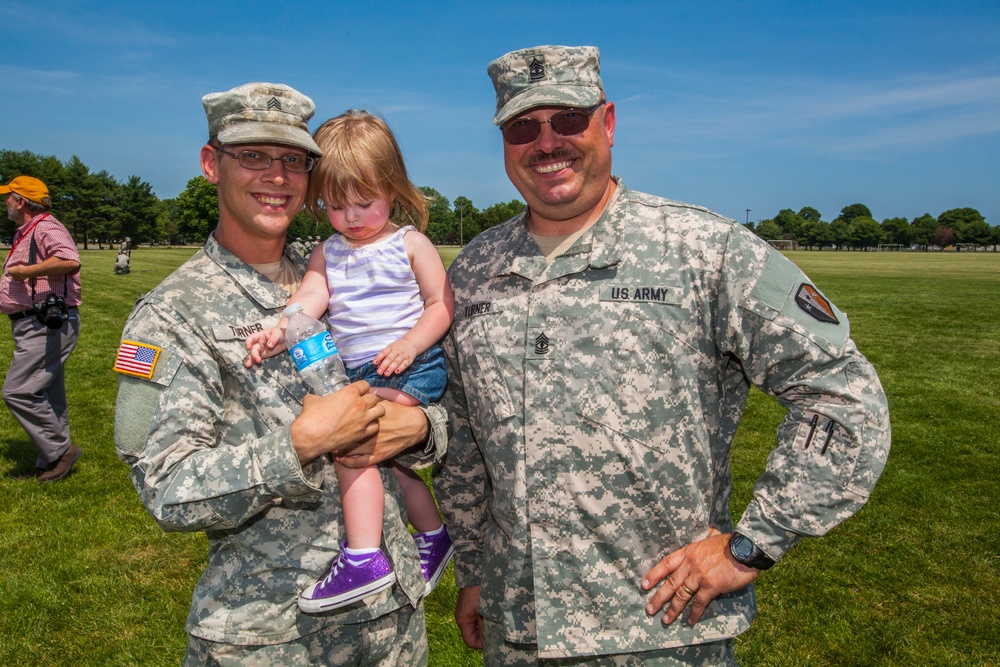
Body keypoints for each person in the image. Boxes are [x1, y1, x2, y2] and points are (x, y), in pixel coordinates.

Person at [434, 45, 891, 665]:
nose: (547, 143)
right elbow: (464, 438)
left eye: (568, 119)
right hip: (520, 629)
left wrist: (754, 543)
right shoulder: (475, 270)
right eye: (522, 127)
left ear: (609, 123)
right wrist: (474, 569)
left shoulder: (704, 250)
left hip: (663, 632)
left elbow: (844, 393)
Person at [113, 82, 447, 666]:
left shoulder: (338, 274)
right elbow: (163, 487)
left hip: (391, 626)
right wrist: (300, 445)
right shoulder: (170, 314)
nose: (277, 175)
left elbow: (437, 409)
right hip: (271, 636)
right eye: (253, 156)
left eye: (293, 160)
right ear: (211, 164)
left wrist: (417, 430)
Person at [245, 109, 456, 613]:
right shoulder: (328, 251)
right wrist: (283, 326)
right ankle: (433, 535)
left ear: (393, 188)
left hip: (409, 364)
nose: (352, 217)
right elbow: (311, 295)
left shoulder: (409, 243)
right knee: (396, 463)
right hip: (358, 369)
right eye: (337, 207)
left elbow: (441, 304)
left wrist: (409, 343)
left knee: (353, 445)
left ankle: (363, 558)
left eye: (365, 202)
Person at [1, 175, 83, 483]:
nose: (5, 202)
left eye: (8, 197)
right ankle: (52, 460)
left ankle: (60, 451)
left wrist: (26, 272)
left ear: (21, 201)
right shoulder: (28, 231)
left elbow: (69, 259)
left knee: (18, 391)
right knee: (48, 394)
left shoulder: (45, 227)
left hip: (44, 323)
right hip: (35, 323)